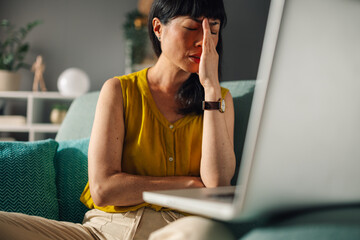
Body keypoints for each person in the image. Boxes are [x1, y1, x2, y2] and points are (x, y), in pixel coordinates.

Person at [0, 0, 236, 239]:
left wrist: (211, 89)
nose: (203, 41)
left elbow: (216, 184)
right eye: (191, 27)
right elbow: (103, 189)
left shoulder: (219, 100)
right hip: (100, 231)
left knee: (205, 232)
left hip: (175, 230)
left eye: (213, 30)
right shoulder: (118, 90)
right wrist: (187, 185)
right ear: (158, 28)